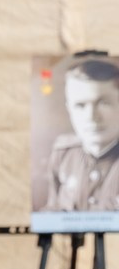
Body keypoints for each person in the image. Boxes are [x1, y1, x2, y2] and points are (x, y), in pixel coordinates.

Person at [41, 52, 119, 214]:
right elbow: (53, 212)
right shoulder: (63, 154)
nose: (91, 117)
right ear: (69, 109)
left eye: (103, 103)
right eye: (80, 105)